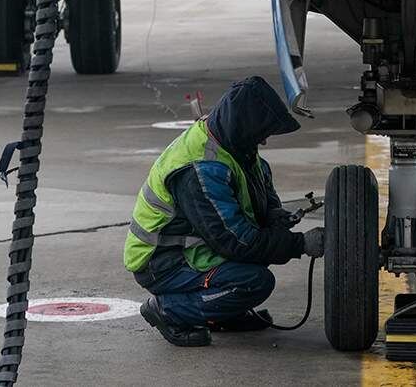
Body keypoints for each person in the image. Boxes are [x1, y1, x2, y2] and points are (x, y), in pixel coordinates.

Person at [125, 76, 325, 346]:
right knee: (254, 281)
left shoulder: (235, 145)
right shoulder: (202, 169)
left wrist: (273, 215)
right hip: (163, 262)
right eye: (262, 133)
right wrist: (299, 244)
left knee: (261, 249)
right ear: (246, 126)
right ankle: (169, 310)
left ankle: (223, 314)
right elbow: (235, 241)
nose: (265, 141)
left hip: (191, 248)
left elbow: (259, 189)